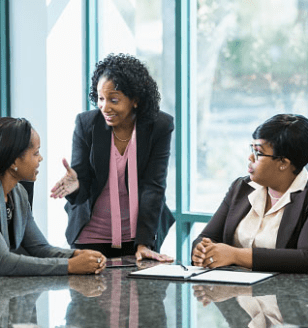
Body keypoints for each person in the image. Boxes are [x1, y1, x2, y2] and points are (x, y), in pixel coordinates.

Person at [51, 53, 175, 261]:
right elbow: (82, 183)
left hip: (138, 238)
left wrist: (144, 243)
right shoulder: (86, 124)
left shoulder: (159, 126)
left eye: (113, 100)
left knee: (144, 293)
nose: (105, 107)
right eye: (100, 98)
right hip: (89, 238)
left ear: (135, 99)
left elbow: (154, 186)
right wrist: (76, 186)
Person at [192, 114, 308, 273]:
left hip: (282, 295)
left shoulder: (305, 197)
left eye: (258, 152)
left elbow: (304, 258)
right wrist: (202, 251)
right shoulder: (242, 187)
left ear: (283, 163)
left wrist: (236, 255)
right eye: (251, 149)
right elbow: (208, 237)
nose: (250, 157)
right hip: (232, 291)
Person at [0, 117, 106, 276]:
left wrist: (76, 255)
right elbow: (4, 263)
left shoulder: (19, 194)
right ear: (14, 160)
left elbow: (39, 248)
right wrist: (69, 266)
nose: (40, 158)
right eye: (35, 153)